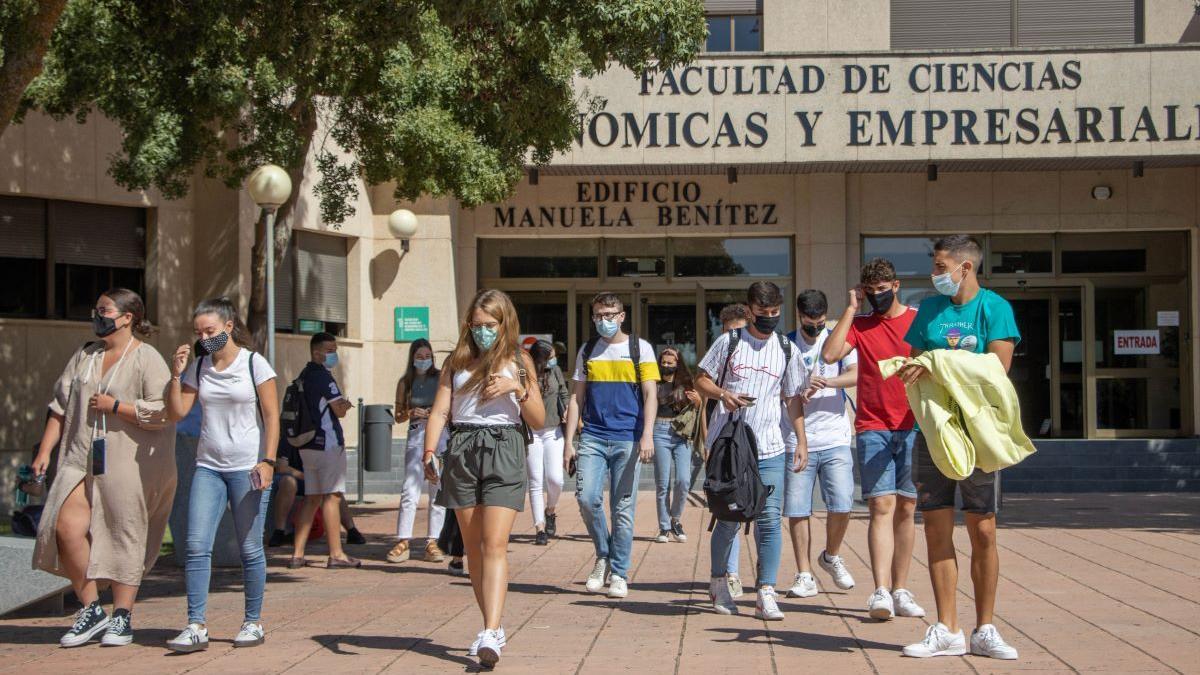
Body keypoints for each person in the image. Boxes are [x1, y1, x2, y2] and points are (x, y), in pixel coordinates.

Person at [31, 289, 176, 648]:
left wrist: (117, 407)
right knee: (66, 528)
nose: (97, 316)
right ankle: (92, 609)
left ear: (128, 317)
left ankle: (123, 616)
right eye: (96, 309)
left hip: (127, 459)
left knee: (123, 532)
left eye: (105, 310)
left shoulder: (147, 358)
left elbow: (164, 412)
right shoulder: (85, 355)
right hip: (81, 454)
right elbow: (59, 406)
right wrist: (45, 452)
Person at [899, 235, 1021, 660]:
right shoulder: (930, 310)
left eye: (940, 267)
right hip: (934, 432)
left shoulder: (994, 308)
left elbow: (996, 368)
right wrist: (917, 366)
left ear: (964, 268)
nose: (936, 275)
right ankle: (947, 628)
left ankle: (985, 628)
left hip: (978, 434)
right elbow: (916, 363)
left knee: (982, 528)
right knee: (935, 527)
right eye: (934, 268)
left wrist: (938, 363)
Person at [422, 289, 545, 668]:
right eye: (476, 326)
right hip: (462, 448)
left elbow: (540, 420)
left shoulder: (519, 360)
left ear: (504, 323)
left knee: (494, 543)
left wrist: (517, 388)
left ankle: (491, 631)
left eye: (489, 325)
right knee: (472, 548)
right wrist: (430, 451)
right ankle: (491, 622)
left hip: (504, 447)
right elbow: (441, 411)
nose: (482, 332)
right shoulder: (456, 361)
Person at [165, 297, 280, 652]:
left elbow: (272, 416)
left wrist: (269, 461)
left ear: (229, 327)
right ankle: (196, 624)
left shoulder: (254, 364)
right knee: (197, 546)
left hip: (247, 468)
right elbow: (177, 411)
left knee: (249, 547)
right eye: (199, 332)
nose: (204, 337)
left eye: (210, 330)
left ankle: (252, 621)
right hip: (208, 467)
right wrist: (176, 373)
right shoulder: (199, 367)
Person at [694, 281, 805, 621]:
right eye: (763, 313)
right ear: (750, 309)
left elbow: (793, 397)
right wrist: (722, 393)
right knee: (728, 518)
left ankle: (766, 592)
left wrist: (801, 440)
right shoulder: (729, 343)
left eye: (775, 313)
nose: (769, 318)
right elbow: (700, 380)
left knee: (769, 520)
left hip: (770, 446)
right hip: (729, 446)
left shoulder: (787, 350)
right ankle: (718, 583)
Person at [822, 259, 925, 621]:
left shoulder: (916, 319)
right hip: (873, 426)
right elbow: (830, 354)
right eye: (871, 291)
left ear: (896, 286)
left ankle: (901, 588)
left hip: (913, 424)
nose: (877, 297)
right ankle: (881, 590)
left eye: (883, 289)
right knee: (881, 506)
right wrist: (850, 309)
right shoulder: (861, 324)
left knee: (908, 508)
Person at [563, 293, 659, 600]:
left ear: (622, 315)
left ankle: (618, 572)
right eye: (598, 315)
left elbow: (650, 395)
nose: (604, 320)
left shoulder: (639, 348)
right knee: (586, 497)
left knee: (623, 508)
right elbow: (576, 397)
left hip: (627, 438)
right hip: (592, 435)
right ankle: (603, 554)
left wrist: (647, 435)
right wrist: (568, 442)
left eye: (609, 314)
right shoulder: (588, 350)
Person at [781, 290, 859, 599]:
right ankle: (804, 574)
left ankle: (831, 555)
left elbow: (855, 374)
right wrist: (801, 389)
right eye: (809, 323)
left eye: (820, 323)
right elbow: (783, 392)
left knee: (842, 503)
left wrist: (827, 381)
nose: (814, 329)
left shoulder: (838, 341)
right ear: (799, 317)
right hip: (798, 438)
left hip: (836, 436)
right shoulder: (786, 345)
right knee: (798, 508)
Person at [289, 333, 359, 569]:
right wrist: (346, 405)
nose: (334, 353)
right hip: (327, 445)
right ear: (317, 353)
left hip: (306, 446)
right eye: (330, 350)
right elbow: (338, 410)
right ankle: (336, 554)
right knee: (332, 497)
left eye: (335, 348)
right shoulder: (322, 377)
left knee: (312, 499)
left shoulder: (303, 375)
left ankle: (297, 554)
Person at [703, 303, 753, 600]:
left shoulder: (765, 353)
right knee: (730, 508)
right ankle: (730, 573)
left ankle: (765, 579)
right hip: (725, 439)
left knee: (762, 513)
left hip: (759, 439)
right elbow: (705, 390)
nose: (732, 338)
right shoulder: (720, 354)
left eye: (737, 331)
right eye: (727, 332)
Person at [389, 338, 448, 563]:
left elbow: (448, 408)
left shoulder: (441, 377)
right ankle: (403, 539)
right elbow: (398, 415)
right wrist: (412, 412)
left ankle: (433, 540)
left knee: (437, 487)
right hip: (416, 434)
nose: (424, 360)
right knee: (410, 488)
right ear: (412, 358)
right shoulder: (406, 382)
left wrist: (432, 412)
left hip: (439, 434)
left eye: (427, 356)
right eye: (419, 357)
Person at [268, 442, 364, 548]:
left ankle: (351, 530)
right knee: (289, 482)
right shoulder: (288, 439)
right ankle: (279, 531)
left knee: (333, 490)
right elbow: (282, 467)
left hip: (312, 478)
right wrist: (307, 476)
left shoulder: (320, 441)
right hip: (288, 478)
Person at [651, 347, 701, 543]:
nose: (666, 366)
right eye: (663, 362)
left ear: (677, 364)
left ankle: (675, 519)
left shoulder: (687, 383)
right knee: (662, 483)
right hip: (660, 431)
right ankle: (664, 527)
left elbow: (697, 408)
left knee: (683, 480)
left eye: (670, 363)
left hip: (681, 435)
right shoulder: (654, 383)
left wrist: (698, 402)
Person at [527, 340, 569, 545]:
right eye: (551, 356)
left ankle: (550, 510)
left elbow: (563, 393)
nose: (554, 360)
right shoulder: (526, 374)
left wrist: (569, 409)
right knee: (535, 481)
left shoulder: (556, 371)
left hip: (553, 431)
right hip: (532, 433)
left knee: (556, 480)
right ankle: (540, 528)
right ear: (540, 359)